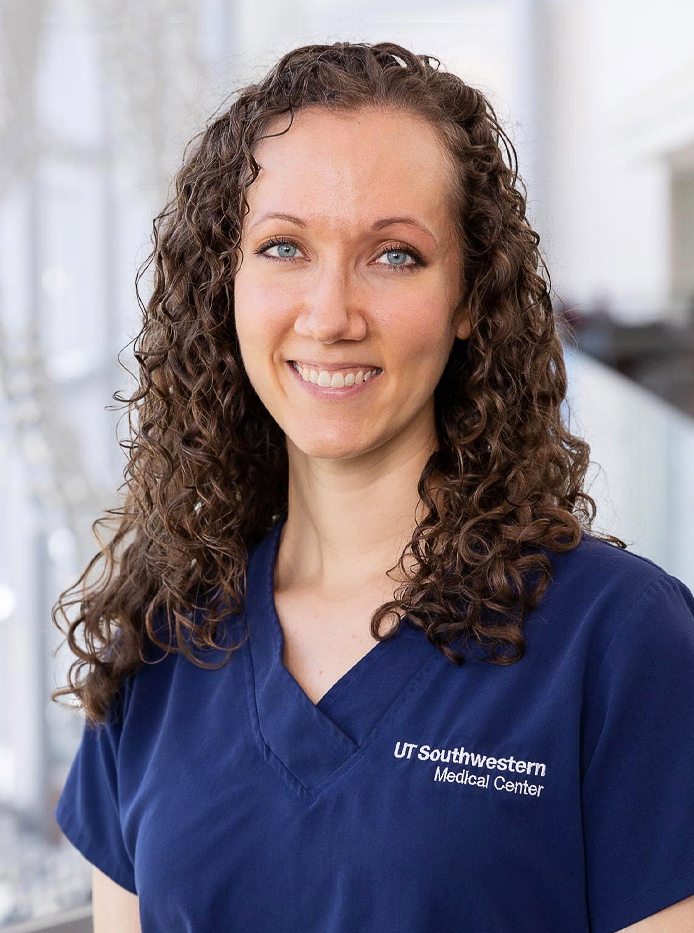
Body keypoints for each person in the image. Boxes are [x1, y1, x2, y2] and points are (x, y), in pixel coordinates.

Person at [51, 41, 694, 932]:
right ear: (224, 286)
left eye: (394, 256)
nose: (331, 315)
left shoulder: (622, 642)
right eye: (284, 247)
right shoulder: (162, 644)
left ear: (471, 297)